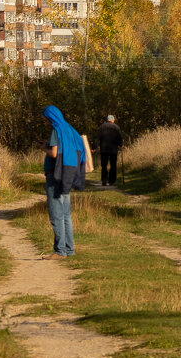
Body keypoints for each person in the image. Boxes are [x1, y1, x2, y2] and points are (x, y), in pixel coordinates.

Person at [41, 105, 86, 259]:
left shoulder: (56, 130)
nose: (45, 121)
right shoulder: (69, 129)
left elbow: (54, 153)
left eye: (46, 118)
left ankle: (60, 251)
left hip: (55, 176)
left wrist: (43, 148)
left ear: (50, 117)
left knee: (56, 215)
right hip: (67, 175)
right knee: (66, 215)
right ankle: (69, 249)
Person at [95, 114, 124, 187]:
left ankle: (104, 180)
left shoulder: (102, 127)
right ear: (113, 120)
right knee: (113, 165)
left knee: (104, 165)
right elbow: (119, 137)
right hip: (113, 149)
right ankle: (112, 181)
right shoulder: (116, 127)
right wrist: (121, 145)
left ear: (107, 120)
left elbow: (97, 138)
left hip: (104, 149)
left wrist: (94, 147)